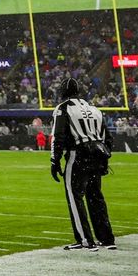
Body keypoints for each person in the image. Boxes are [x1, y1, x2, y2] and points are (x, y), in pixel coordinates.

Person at [50, 77, 116, 251]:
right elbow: (107, 138)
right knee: (96, 197)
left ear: (63, 92)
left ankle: (85, 240)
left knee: (75, 197)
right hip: (97, 154)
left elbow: (58, 137)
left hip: (78, 154)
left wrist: (54, 160)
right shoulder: (94, 109)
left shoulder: (63, 109)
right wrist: (103, 159)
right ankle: (106, 238)